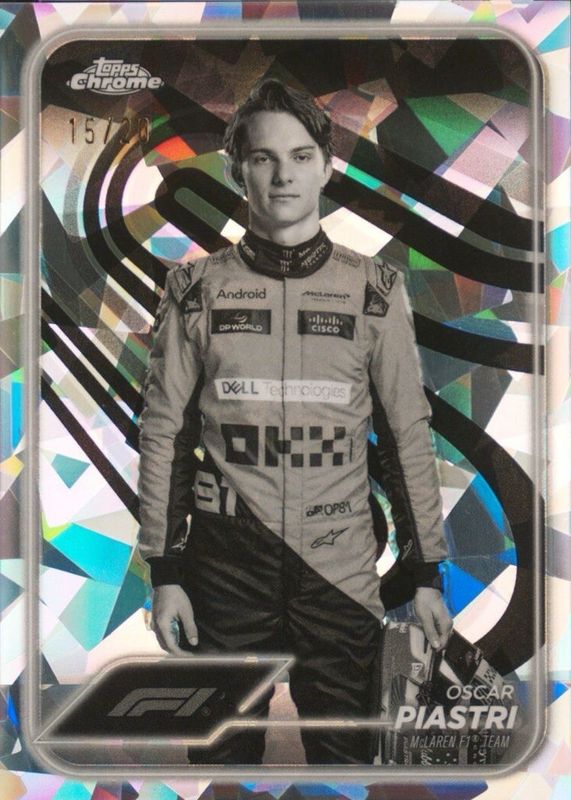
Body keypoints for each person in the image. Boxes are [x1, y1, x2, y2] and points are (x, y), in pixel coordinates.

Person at [137, 79, 452, 765]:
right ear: (236, 170)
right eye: (263, 158)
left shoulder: (375, 290)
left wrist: (427, 572)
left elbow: (406, 434)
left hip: (339, 571)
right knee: (222, 765)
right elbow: (164, 435)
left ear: (326, 167)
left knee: (347, 764)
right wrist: (163, 571)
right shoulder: (194, 289)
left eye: (301, 156)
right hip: (223, 573)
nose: (283, 175)